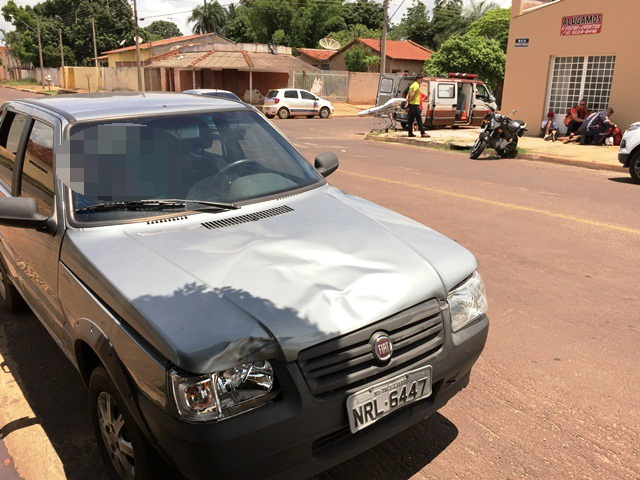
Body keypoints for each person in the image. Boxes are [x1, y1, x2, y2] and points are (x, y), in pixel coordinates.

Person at [405, 74, 429, 138]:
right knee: (419, 119)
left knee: (410, 120)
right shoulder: (416, 85)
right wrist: (409, 100)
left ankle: (410, 133)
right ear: (418, 79)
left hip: (411, 105)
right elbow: (412, 94)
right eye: (421, 79)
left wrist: (407, 101)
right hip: (415, 105)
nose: (421, 80)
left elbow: (408, 94)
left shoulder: (412, 85)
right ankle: (422, 133)